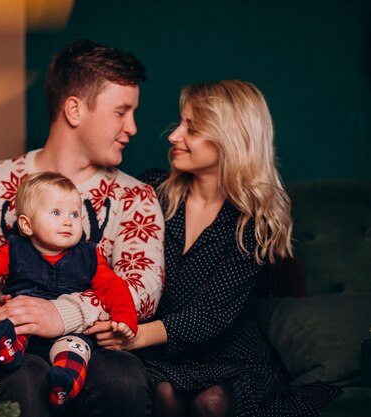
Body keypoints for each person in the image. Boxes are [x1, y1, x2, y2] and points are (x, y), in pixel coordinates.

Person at [0, 38, 164, 417]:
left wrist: (62, 314)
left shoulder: (134, 198)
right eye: (121, 112)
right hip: (11, 348)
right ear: (74, 109)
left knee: (121, 383)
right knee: (23, 383)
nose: (133, 127)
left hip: (95, 350)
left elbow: (143, 288)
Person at [85, 80, 341, 417]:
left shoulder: (255, 218)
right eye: (179, 123)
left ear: (230, 139)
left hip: (228, 356)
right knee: (163, 392)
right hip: (162, 355)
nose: (174, 136)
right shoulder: (154, 190)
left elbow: (213, 314)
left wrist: (133, 336)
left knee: (212, 401)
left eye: (191, 128)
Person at [0, 172, 137, 409]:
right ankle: (7, 350)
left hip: (69, 333)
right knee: (10, 323)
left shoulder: (88, 256)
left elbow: (114, 286)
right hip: (24, 324)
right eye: (56, 213)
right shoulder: (15, 250)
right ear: (27, 225)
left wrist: (125, 318)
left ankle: (64, 385)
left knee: (75, 350)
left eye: (75, 214)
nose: (68, 221)